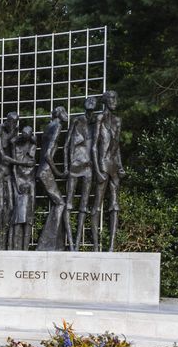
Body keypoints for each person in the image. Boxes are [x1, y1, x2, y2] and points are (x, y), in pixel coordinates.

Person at [90, 90, 124, 251]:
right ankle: (96, 247)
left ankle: (111, 247)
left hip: (114, 165)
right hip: (102, 164)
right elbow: (93, 146)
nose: (115, 100)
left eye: (116, 97)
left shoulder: (118, 121)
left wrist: (121, 165)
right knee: (97, 204)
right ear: (105, 100)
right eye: (112, 98)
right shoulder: (100, 118)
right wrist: (96, 169)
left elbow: (117, 147)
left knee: (115, 205)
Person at [67, 95, 97, 250]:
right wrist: (68, 165)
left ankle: (77, 245)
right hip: (75, 165)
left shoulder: (97, 122)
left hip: (89, 167)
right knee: (69, 204)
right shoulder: (77, 120)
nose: (91, 103)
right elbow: (67, 144)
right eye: (88, 101)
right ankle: (72, 245)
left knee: (83, 206)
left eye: (94, 101)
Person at [35, 108, 67, 251]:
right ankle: (46, 245)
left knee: (58, 204)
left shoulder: (48, 127)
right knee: (60, 204)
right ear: (59, 114)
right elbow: (48, 154)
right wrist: (58, 173)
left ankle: (56, 245)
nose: (67, 115)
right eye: (64, 112)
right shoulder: (58, 126)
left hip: (41, 170)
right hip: (46, 171)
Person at [9, 126, 37, 250]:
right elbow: (12, 142)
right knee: (18, 216)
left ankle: (25, 248)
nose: (25, 136)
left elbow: (35, 140)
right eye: (23, 133)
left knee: (29, 216)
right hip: (19, 180)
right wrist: (16, 182)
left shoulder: (33, 146)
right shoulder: (17, 147)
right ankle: (15, 247)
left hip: (29, 180)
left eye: (28, 134)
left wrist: (29, 137)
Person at [0, 112, 18, 249]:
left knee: (11, 206)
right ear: (7, 121)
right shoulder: (0, 128)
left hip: (9, 172)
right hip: (0, 171)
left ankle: (9, 242)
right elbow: (2, 154)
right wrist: (20, 163)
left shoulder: (15, 130)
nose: (14, 125)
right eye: (12, 122)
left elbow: (13, 149)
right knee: (1, 206)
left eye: (16, 123)